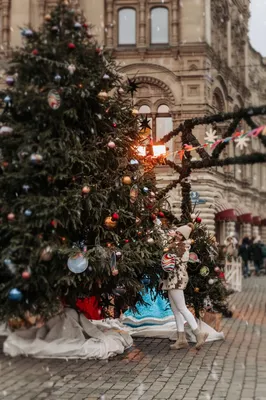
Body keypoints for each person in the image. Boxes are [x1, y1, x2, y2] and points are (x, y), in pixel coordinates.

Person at [160, 223, 208, 350]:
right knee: (176, 310)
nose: (178, 235)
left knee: (182, 308)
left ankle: (199, 334)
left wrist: (169, 248)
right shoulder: (174, 245)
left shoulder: (182, 247)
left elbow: (172, 260)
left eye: (181, 234)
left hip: (177, 280)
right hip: (171, 280)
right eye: (177, 232)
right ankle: (181, 339)